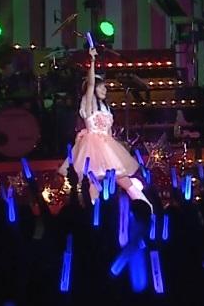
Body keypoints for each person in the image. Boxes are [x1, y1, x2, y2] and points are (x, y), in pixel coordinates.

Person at [58, 47, 151, 208]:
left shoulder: (106, 108)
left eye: (105, 87)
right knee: (93, 181)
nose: (104, 89)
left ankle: (147, 207)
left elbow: (108, 132)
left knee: (125, 181)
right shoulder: (88, 105)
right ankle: (94, 213)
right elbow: (91, 83)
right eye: (101, 87)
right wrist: (93, 61)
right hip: (92, 148)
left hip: (108, 149)